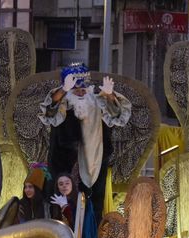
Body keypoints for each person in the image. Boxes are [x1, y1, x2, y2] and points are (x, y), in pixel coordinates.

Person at [39, 63, 131, 223]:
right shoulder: (63, 104)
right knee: (62, 208)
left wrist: (110, 95)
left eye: (84, 88)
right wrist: (63, 90)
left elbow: (118, 116)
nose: (81, 92)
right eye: (76, 89)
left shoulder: (98, 103)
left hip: (95, 164)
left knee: (93, 209)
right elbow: (48, 111)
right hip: (65, 167)